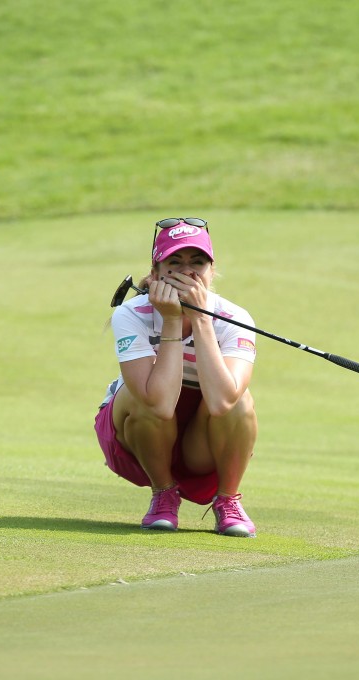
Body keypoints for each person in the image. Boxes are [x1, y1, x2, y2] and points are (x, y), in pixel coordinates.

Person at [95, 218, 260, 537]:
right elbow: (156, 404)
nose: (188, 272)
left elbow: (223, 401)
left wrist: (199, 319)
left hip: (202, 439)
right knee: (139, 395)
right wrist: (172, 320)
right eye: (175, 263)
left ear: (212, 273)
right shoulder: (131, 314)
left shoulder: (235, 318)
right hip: (137, 439)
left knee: (241, 400)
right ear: (155, 273)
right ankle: (163, 494)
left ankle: (228, 501)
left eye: (198, 263)